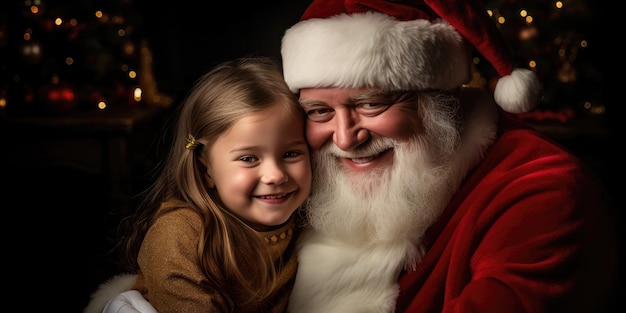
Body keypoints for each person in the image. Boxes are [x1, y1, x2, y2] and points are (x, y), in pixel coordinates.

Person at [278, 0, 618, 312]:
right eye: (319, 111)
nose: (345, 138)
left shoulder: (543, 190)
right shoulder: (294, 189)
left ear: (438, 101)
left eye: (371, 103)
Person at [84, 56, 312, 313]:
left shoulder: (311, 223)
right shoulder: (180, 235)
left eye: (291, 154)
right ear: (206, 168)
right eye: (248, 158)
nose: (275, 175)